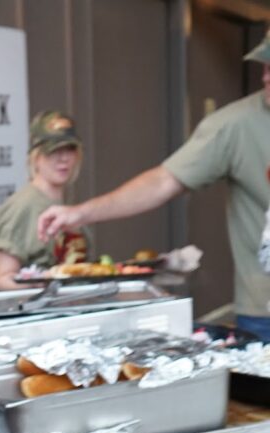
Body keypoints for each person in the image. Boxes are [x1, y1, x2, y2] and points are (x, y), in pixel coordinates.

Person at [38, 30, 270, 339]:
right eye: (265, 66)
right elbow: (162, 182)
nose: (266, 77)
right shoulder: (233, 126)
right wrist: (79, 214)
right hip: (263, 312)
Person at [0, 110, 89, 289]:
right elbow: (3, 279)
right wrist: (45, 282)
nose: (64, 158)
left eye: (70, 149)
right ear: (35, 156)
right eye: (54, 150)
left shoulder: (64, 203)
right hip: (44, 312)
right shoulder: (21, 205)